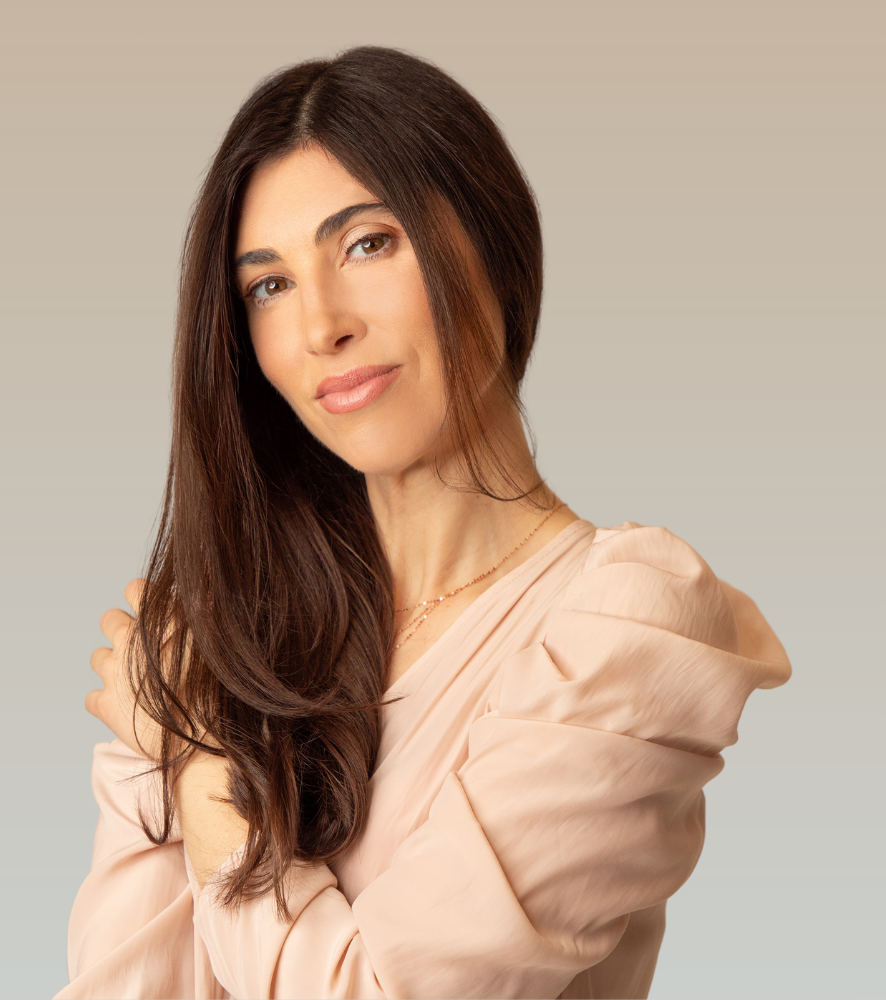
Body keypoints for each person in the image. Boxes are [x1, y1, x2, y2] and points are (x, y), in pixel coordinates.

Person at [55, 46, 791, 1000]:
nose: (321, 326)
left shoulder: (628, 630)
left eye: (367, 244)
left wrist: (197, 759)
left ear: (489, 239)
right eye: (269, 285)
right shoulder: (218, 641)